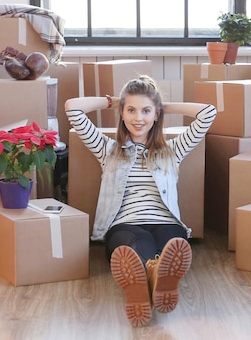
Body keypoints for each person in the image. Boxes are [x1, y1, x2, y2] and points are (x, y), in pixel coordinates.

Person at [65, 75, 216, 327]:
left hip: (166, 222)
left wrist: (164, 106)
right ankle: (152, 277)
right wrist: (111, 101)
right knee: (137, 244)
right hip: (124, 225)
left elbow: (208, 113)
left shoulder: (172, 150)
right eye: (131, 110)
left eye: (146, 111)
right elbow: (73, 108)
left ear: (156, 115)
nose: (138, 118)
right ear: (122, 114)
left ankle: (145, 285)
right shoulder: (108, 150)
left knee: (172, 244)